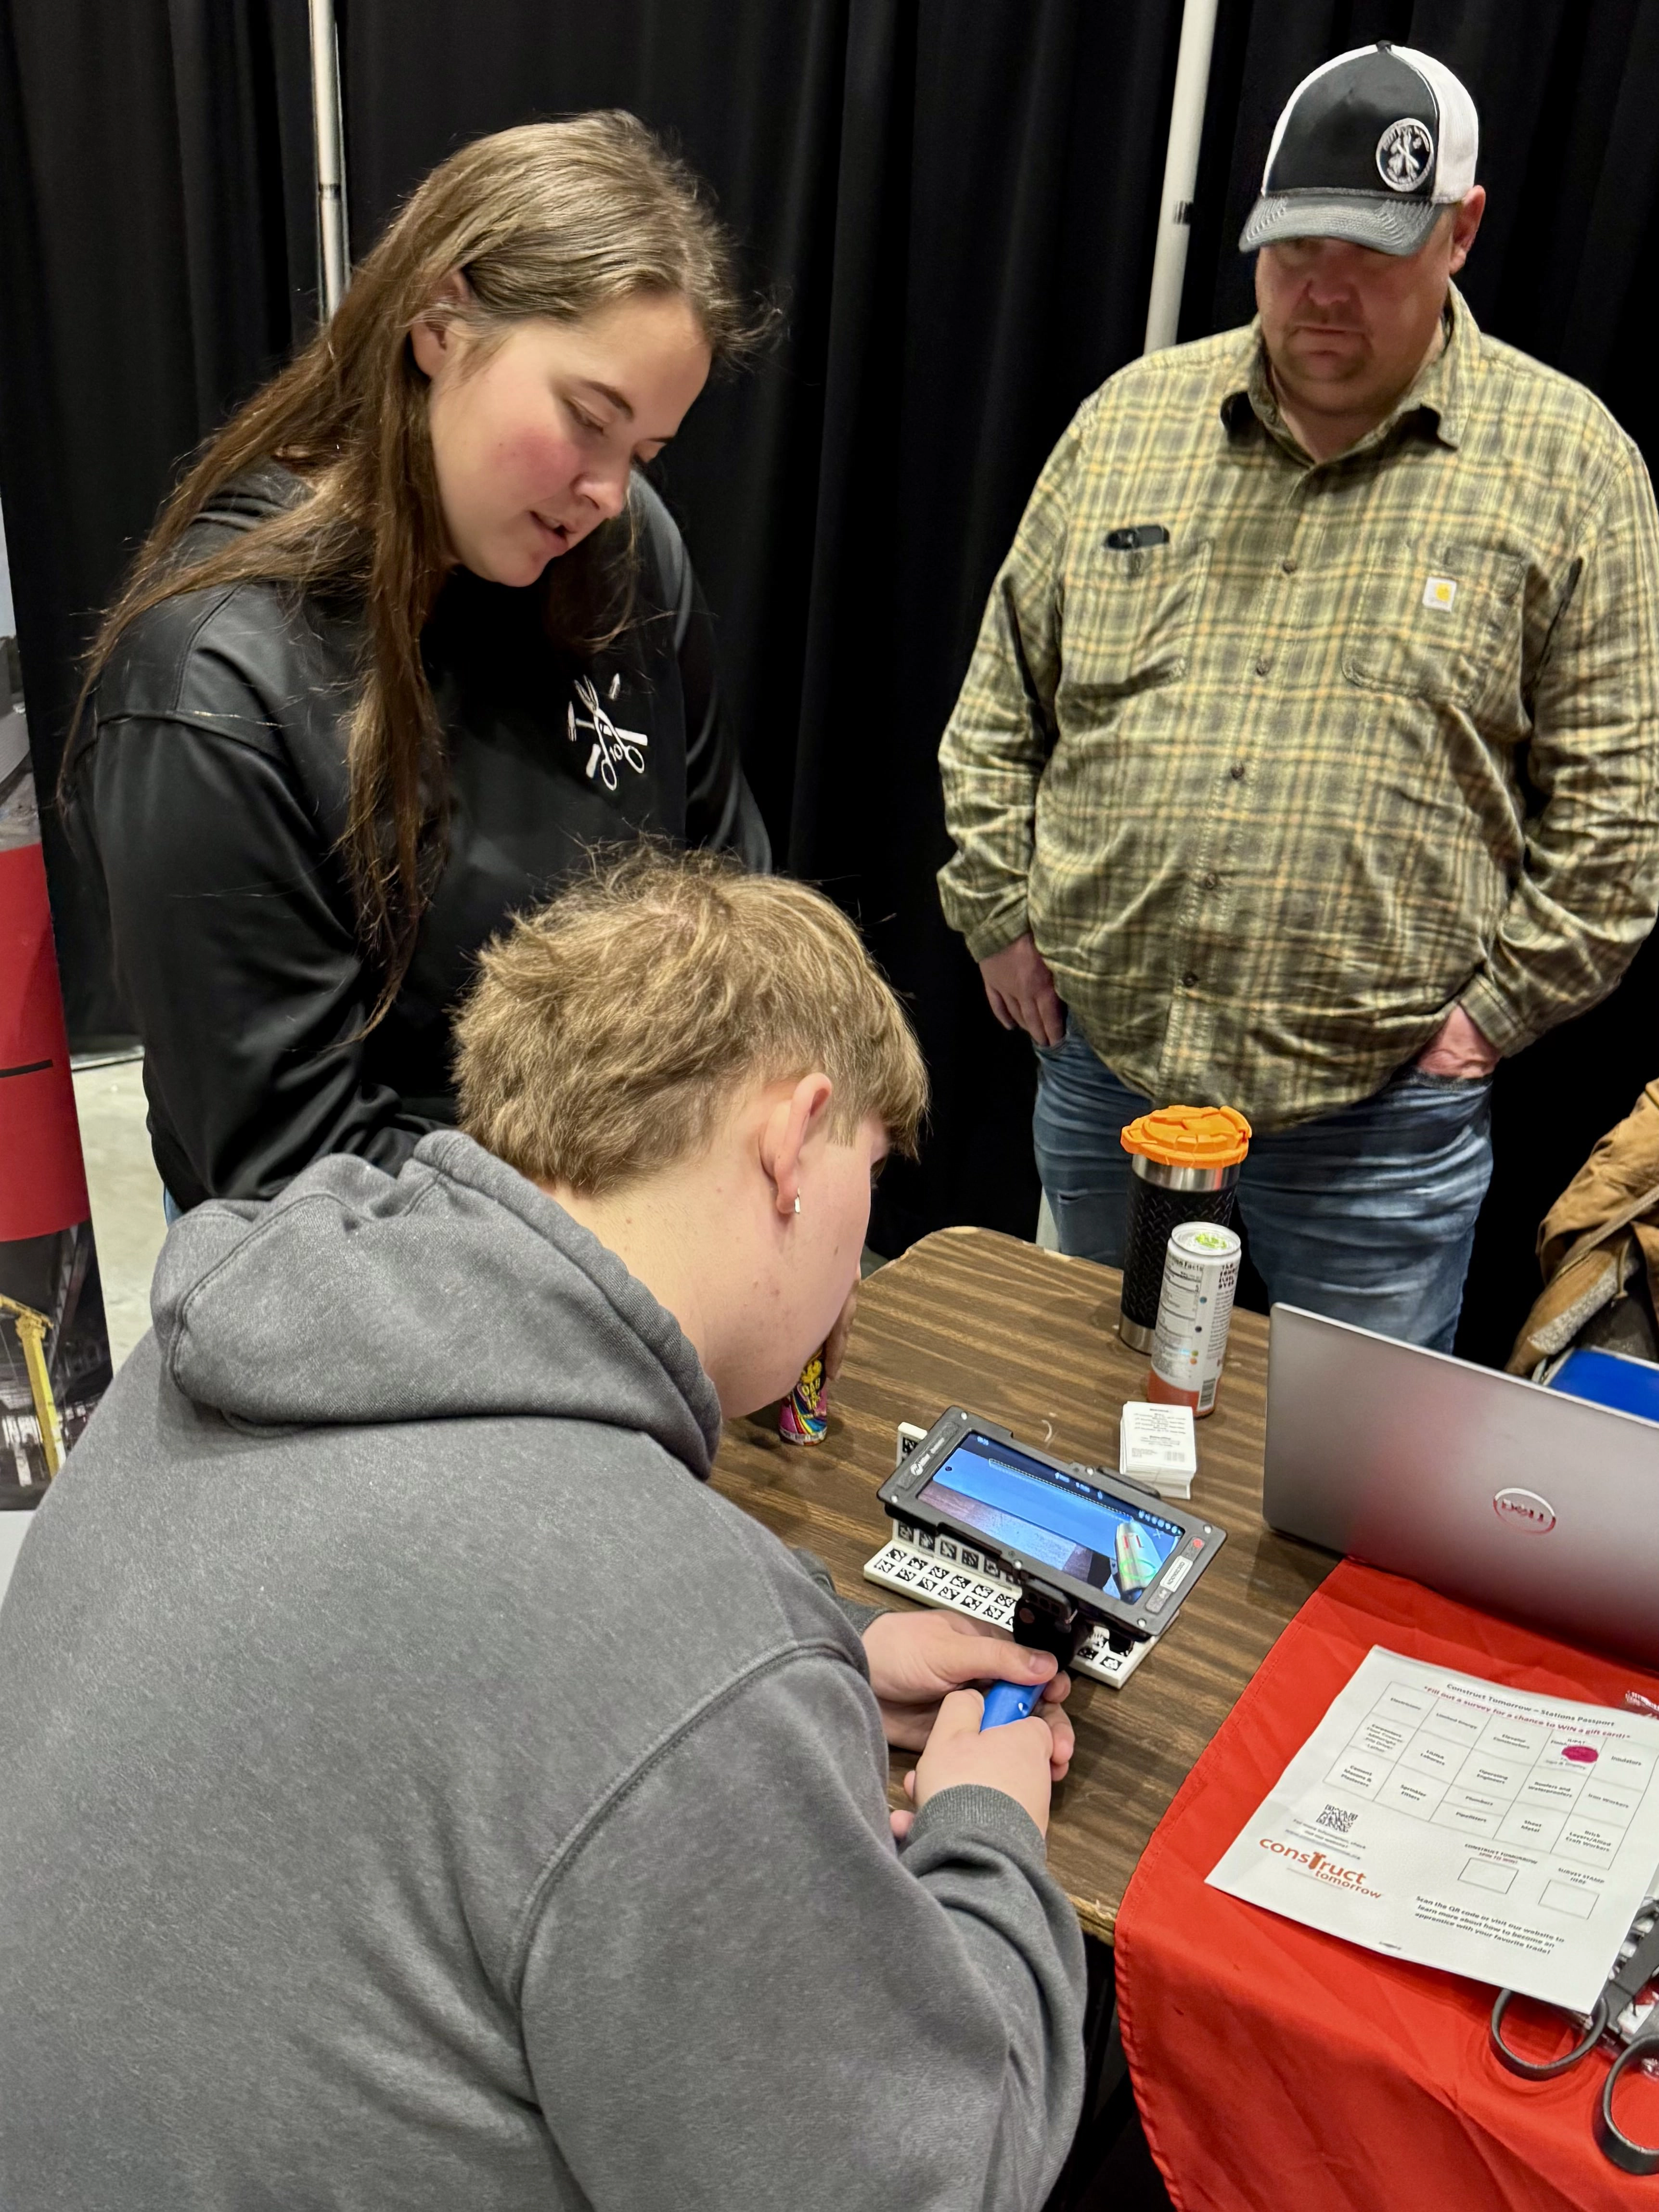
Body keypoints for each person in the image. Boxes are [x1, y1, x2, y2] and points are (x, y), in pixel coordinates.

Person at [0, 849, 1086, 2212]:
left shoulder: (220, 1338)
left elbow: (414, 1667)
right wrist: (984, 1825)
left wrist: (825, 1661)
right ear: (791, 1139)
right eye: (871, 1166)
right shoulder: (673, 1644)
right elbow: (936, 2174)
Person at [938, 42, 1659, 1350]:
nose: (1323, 292)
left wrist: (1484, 1021)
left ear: (1461, 230)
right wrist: (994, 910)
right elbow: (995, 711)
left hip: (1378, 1130)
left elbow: (1611, 827)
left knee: (1343, 1504)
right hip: (1109, 1083)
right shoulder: (1127, 423)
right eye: (1291, 249)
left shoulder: (1571, 468)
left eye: (1371, 252)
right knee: (1078, 1439)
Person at [64, 113, 770, 1214]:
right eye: (588, 418)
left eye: (644, 453)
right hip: (381, 1303)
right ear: (441, 323)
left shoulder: (629, 551)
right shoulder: (214, 684)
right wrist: (630, 1221)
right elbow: (293, 1173)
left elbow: (730, 888)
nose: (605, 492)